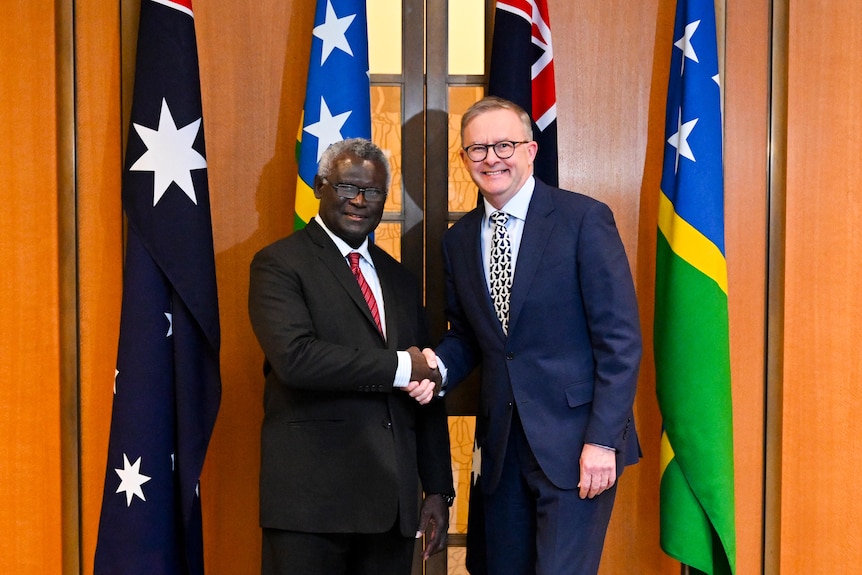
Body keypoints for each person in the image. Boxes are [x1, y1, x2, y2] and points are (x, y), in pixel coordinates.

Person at [425, 96, 642, 575]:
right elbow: (468, 335)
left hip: (577, 449)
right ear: (464, 160)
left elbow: (620, 341)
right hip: (501, 454)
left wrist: (604, 441)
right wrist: (435, 369)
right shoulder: (458, 241)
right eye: (477, 149)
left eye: (504, 144)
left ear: (530, 150)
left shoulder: (583, 219)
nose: (491, 158)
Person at [248, 138, 454, 575]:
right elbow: (297, 358)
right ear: (321, 185)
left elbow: (427, 383)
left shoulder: (399, 278)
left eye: (374, 191)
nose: (360, 202)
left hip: (390, 511)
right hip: (311, 509)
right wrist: (402, 367)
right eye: (347, 188)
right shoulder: (279, 264)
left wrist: (437, 487)